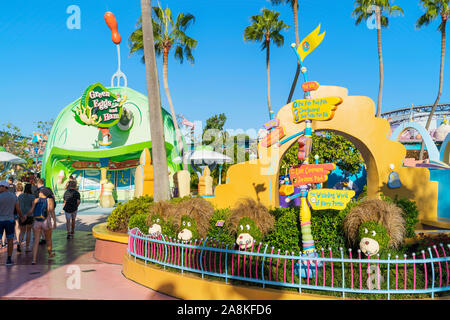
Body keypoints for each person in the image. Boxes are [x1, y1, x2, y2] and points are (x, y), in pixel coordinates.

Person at [27, 188, 56, 265]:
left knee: (36, 241)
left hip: (37, 222)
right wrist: (55, 222)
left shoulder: (36, 200)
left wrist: (25, 215)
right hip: (46, 221)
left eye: (40, 192)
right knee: (48, 239)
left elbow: (31, 211)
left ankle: (34, 260)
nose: (39, 193)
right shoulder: (50, 200)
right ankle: (50, 254)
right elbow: (52, 211)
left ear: (42, 193)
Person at [0, 180, 24, 265]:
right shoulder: (13, 196)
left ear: (4, 187)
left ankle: (9, 259)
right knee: (10, 239)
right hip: (10, 220)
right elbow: (18, 209)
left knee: (8, 240)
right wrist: (21, 217)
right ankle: (9, 259)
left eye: (0, 186)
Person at [18, 183, 35, 252]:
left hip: (21, 215)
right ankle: (27, 247)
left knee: (22, 231)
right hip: (29, 216)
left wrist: (22, 215)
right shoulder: (32, 197)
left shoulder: (20, 196)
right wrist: (27, 215)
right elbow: (32, 208)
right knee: (28, 231)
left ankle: (19, 244)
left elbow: (18, 206)